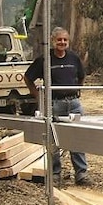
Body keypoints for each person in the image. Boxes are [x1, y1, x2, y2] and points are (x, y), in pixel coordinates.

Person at [24, 26, 90, 186]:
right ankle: (55, 174)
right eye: (59, 39)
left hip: (73, 104)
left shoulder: (74, 58)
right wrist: (38, 96)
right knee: (53, 140)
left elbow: (81, 76)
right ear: (53, 41)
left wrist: (76, 91)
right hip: (54, 104)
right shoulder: (44, 60)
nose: (62, 42)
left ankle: (81, 173)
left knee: (77, 138)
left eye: (65, 40)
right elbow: (28, 77)